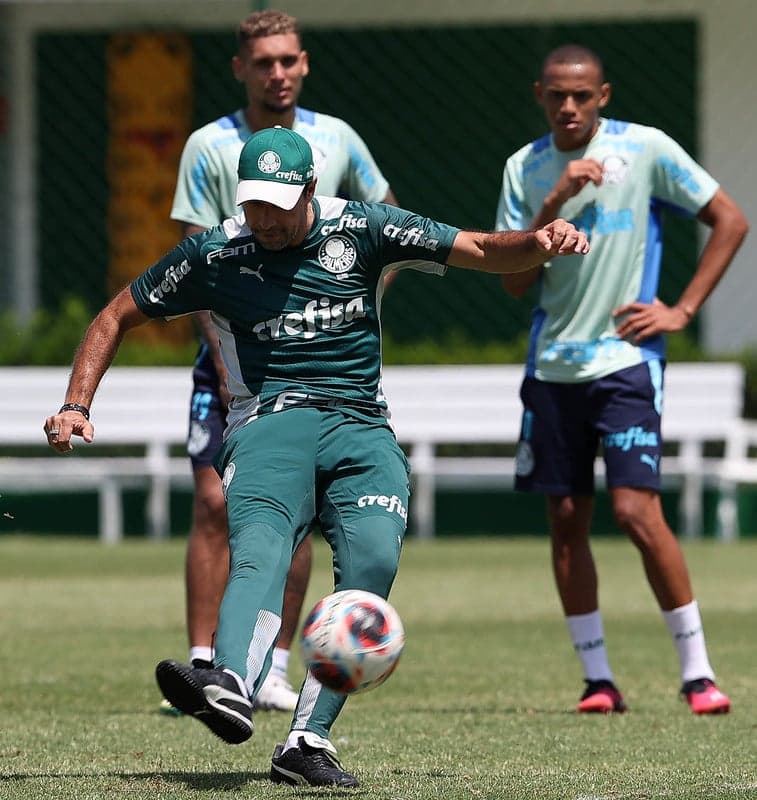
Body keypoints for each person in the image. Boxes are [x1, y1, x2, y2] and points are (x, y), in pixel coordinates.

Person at [45, 126, 589, 787]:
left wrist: (538, 242)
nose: (264, 218)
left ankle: (306, 741)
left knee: (374, 561)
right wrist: (77, 403)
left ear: (309, 188)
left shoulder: (365, 227)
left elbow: (480, 248)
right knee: (262, 548)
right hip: (269, 423)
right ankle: (228, 680)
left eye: (278, 202)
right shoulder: (215, 251)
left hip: (362, 425)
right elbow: (113, 317)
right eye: (254, 203)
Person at [495, 44, 748, 715]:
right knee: (567, 518)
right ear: (538, 95)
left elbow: (730, 219)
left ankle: (696, 674)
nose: (568, 106)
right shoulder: (523, 168)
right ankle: (598, 680)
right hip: (552, 367)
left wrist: (681, 309)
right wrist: (553, 202)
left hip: (626, 362)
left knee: (637, 511)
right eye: (556, 95)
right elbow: (513, 280)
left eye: (581, 95)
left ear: (602, 95)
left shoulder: (646, 149)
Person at [170, 9, 400, 713]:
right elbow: (193, 252)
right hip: (232, 361)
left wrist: (353, 297)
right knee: (219, 504)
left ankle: (267, 665)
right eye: (263, 62)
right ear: (241, 68)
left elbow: (385, 215)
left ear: (303, 64)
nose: (278, 73)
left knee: (295, 508)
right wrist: (224, 349)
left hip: (319, 373)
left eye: (288, 60)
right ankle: (208, 662)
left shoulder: (336, 140)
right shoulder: (210, 145)